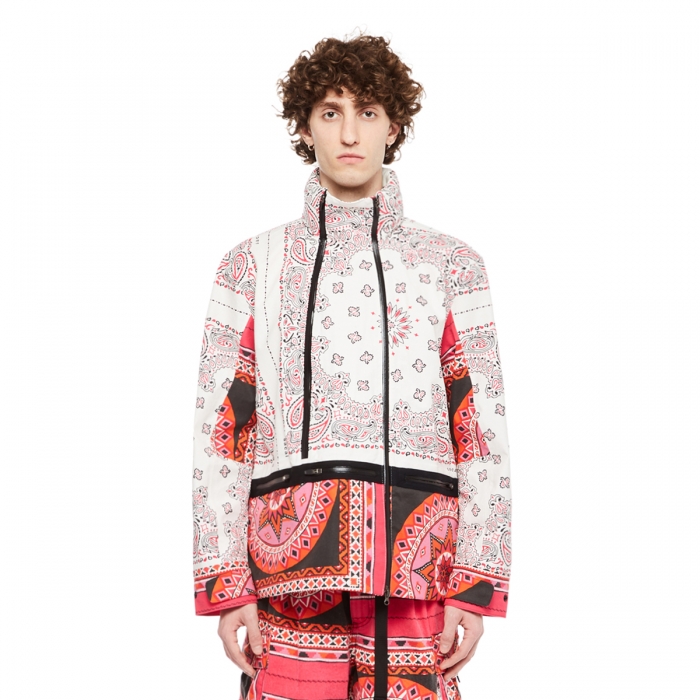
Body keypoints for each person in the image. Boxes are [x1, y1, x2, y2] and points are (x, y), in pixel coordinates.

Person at [192, 31, 512, 700]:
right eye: (330, 112)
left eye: (367, 112)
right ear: (304, 126)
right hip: (285, 571)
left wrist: (477, 582)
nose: (348, 133)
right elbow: (223, 433)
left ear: (393, 126)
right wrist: (226, 583)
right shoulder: (249, 265)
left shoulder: (452, 265)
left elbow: (480, 427)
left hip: (419, 567)